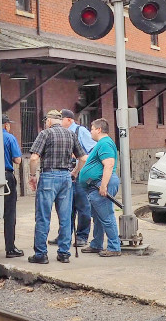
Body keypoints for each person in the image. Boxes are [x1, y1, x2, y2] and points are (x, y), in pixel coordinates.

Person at [27, 109, 86, 264]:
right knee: (66, 217)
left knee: (43, 217)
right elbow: (84, 158)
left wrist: (32, 176)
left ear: (48, 121)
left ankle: (41, 254)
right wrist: (74, 172)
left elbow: (34, 158)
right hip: (65, 177)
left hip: (48, 177)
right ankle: (64, 253)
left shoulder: (45, 134)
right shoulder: (71, 135)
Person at [77, 119, 121, 257]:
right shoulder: (101, 144)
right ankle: (96, 244)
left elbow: (109, 164)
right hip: (95, 184)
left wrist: (103, 185)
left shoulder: (105, 143)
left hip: (99, 184)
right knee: (98, 216)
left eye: (92, 128)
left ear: (99, 130)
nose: (90, 131)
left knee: (106, 216)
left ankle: (114, 247)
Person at [61, 109, 95, 247]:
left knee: (83, 206)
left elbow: (93, 150)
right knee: (66, 207)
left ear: (69, 120)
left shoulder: (81, 131)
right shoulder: (62, 133)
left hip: (81, 174)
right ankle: (64, 236)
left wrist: (80, 157)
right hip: (66, 173)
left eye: (61, 119)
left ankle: (82, 236)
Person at [0, 114, 23, 258]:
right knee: (9, 214)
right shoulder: (9, 138)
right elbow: (18, 160)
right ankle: (10, 248)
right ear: (6, 125)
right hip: (6, 176)